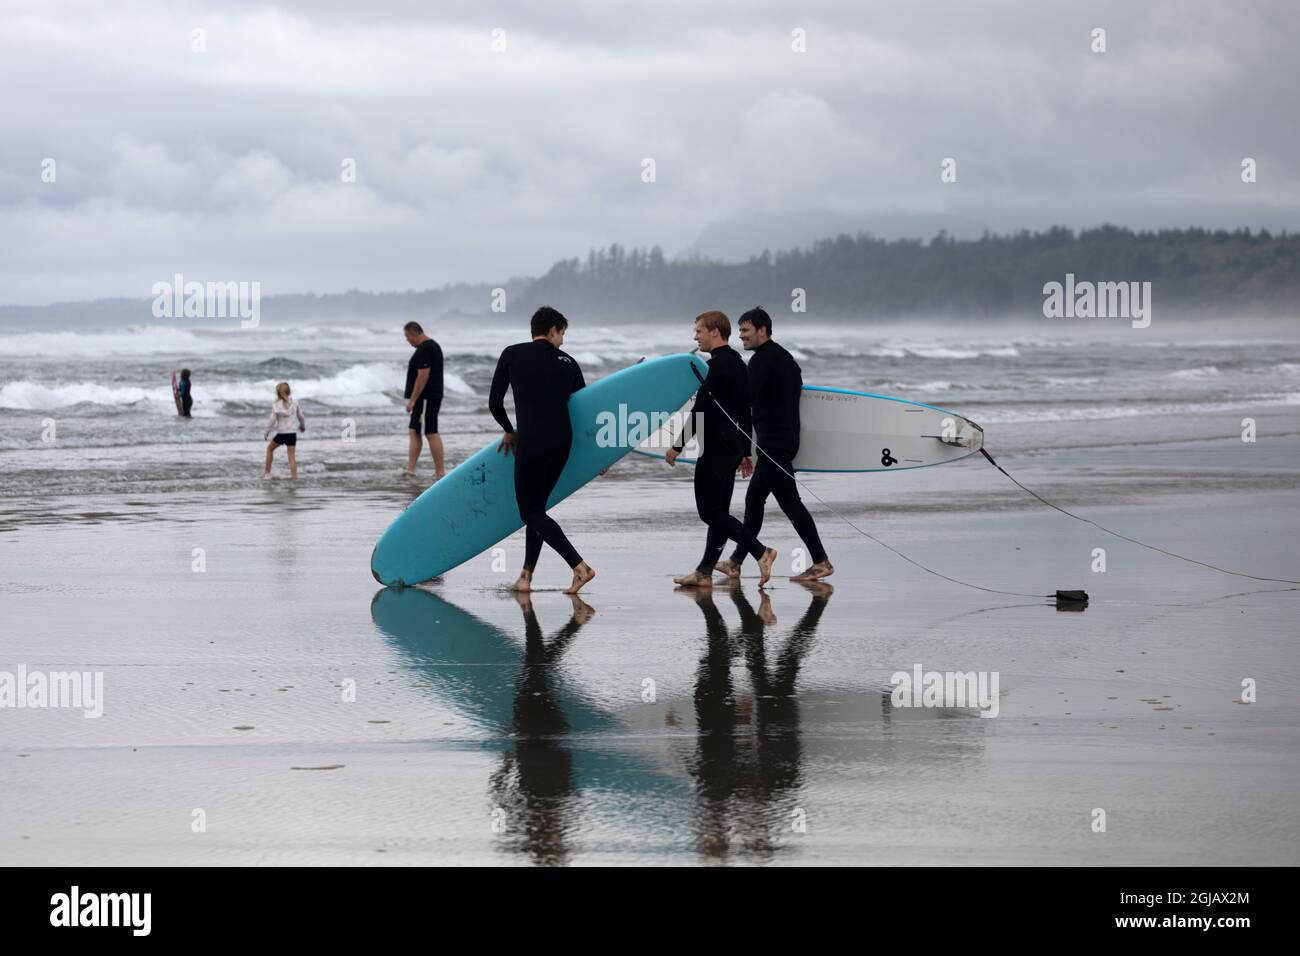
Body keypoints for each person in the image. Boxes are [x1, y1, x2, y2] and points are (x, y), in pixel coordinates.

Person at [716, 307, 833, 582]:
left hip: (773, 444)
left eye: (745, 330)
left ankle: (821, 560)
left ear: (762, 330)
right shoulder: (786, 359)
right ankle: (735, 562)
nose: (741, 336)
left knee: (790, 503)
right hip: (785, 440)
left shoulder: (761, 361)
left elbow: (744, 399)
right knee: (754, 500)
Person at [488, 306, 596, 595]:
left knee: (530, 513)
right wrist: (597, 455)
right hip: (562, 442)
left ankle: (580, 567)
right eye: (562, 334)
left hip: (533, 442)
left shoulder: (512, 353)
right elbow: (582, 409)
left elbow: (494, 403)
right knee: (538, 510)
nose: (562, 341)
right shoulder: (569, 362)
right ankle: (525, 577)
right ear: (552, 331)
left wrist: (509, 430)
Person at [666, 311, 777, 588]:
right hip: (729, 449)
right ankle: (704, 572)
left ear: (715, 332)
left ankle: (760, 551)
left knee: (710, 513)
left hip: (715, 449)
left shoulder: (716, 367)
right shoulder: (739, 364)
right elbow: (744, 413)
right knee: (719, 512)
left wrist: (677, 446)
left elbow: (699, 410)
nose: (695, 337)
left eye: (699, 331)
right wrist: (745, 452)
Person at [402, 321, 445, 479]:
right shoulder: (428, 347)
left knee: (431, 432)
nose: (407, 341)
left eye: (408, 337)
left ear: (415, 333)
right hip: (424, 399)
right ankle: (410, 469)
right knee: (414, 430)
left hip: (427, 398)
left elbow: (423, 376)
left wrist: (412, 400)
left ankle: (440, 471)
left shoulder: (426, 349)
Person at [262, 381, 306, 480]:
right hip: (292, 434)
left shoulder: (276, 405)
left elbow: (272, 420)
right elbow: (301, 416)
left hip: (282, 434)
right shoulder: (295, 402)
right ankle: (294, 478)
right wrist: (302, 426)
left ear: (278, 393)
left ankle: (267, 473)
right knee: (291, 457)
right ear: (289, 391)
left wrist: (266, 431)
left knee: (269, 449)